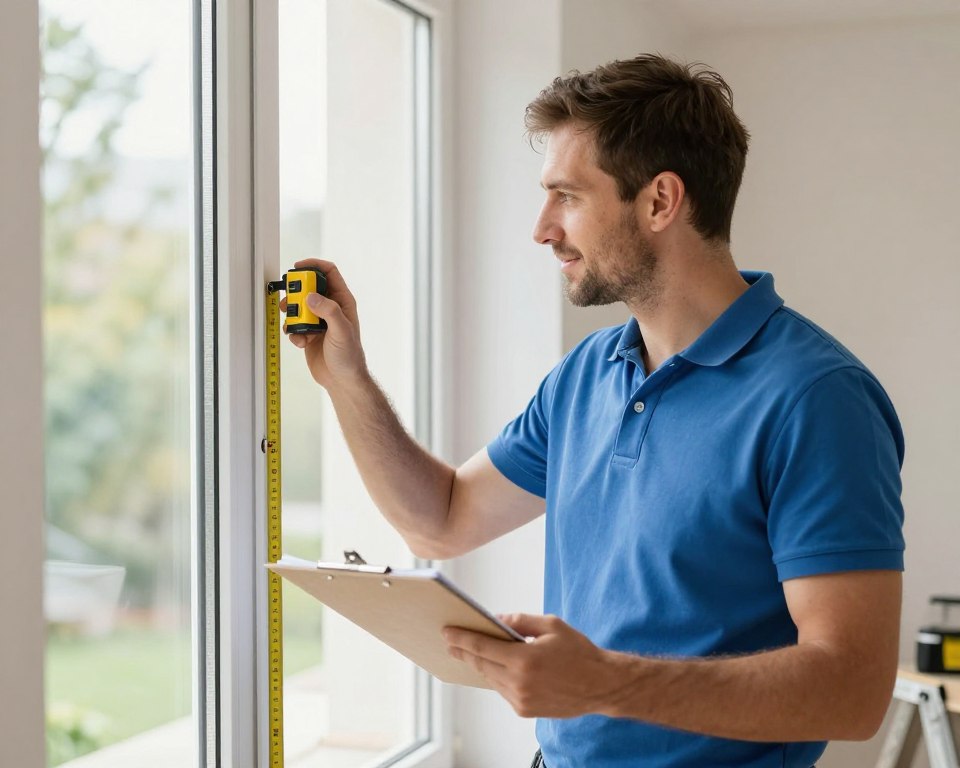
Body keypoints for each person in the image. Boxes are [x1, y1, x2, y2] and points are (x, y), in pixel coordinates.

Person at [285, 53, 905, 768]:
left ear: (660, 201)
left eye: (567, 197)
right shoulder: (587, 373)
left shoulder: (817, 398)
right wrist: (347, 381)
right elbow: (443, 518)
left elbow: (853, 690)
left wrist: (605, 683)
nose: (543, 228)